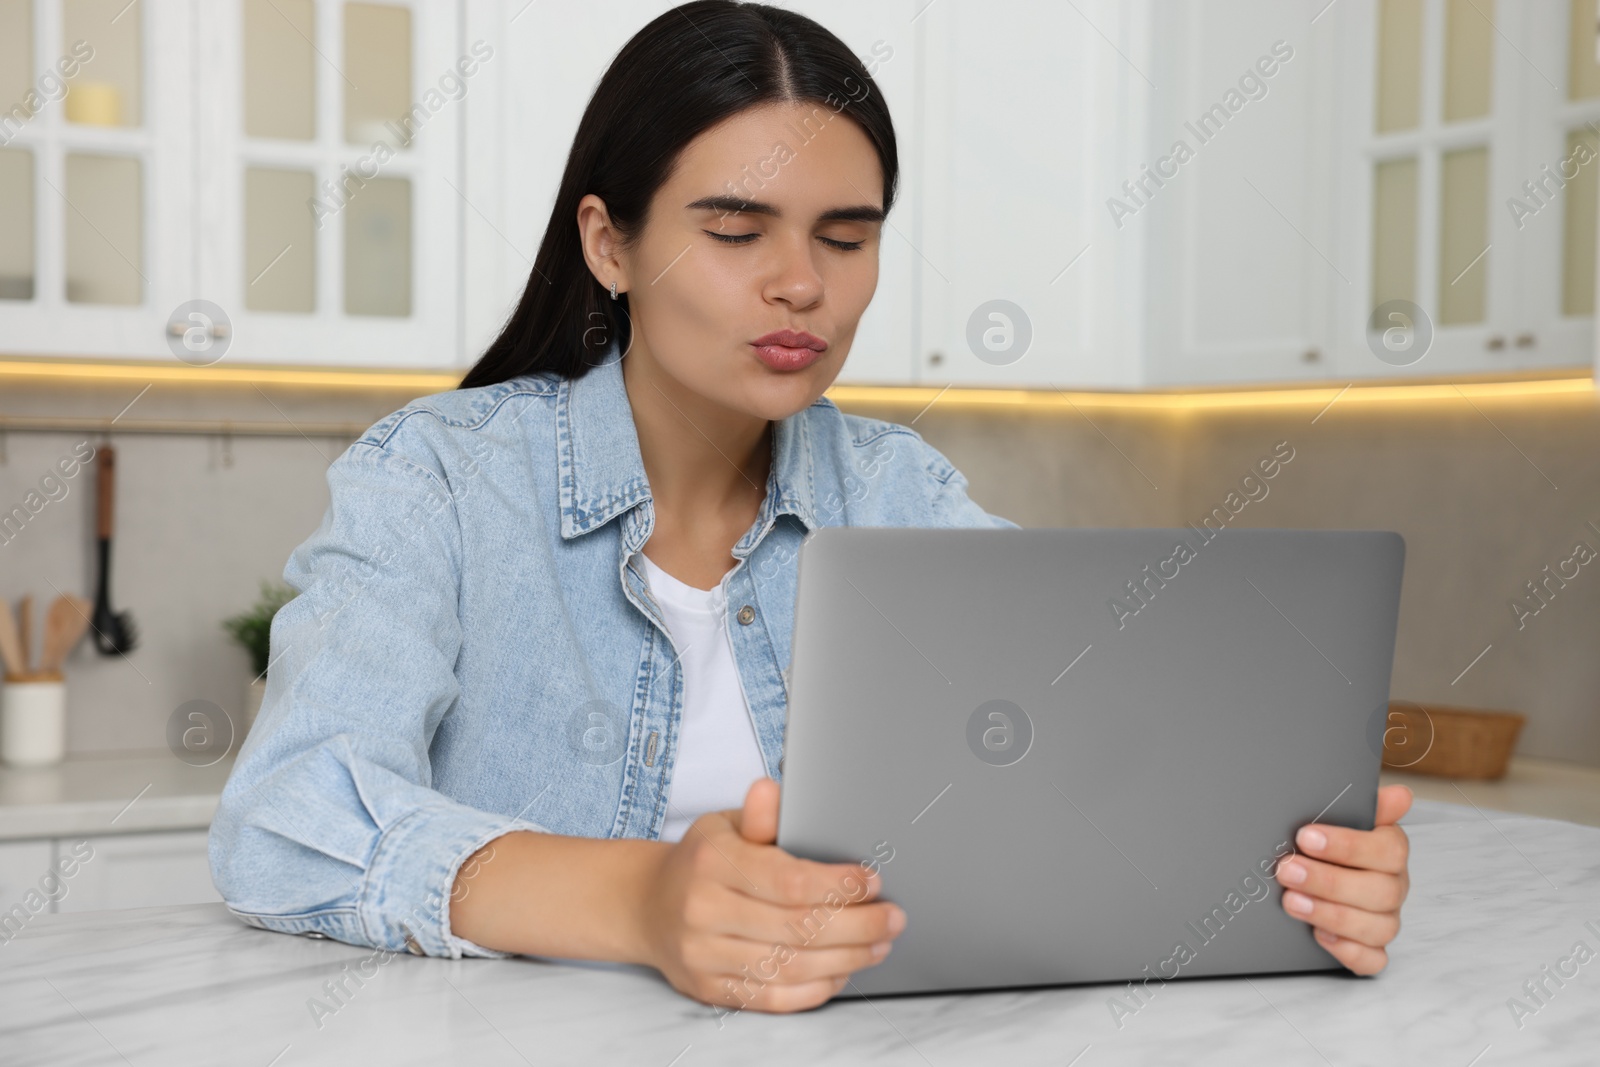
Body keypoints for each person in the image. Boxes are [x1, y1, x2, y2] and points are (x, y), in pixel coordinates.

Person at [209, 0, 1412, 1015]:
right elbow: (283, 819)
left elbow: (1097, 768)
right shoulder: (435, 477)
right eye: (735, 230)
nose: (801, 283)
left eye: (847, 237)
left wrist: (1292, 869)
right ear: (609, 243)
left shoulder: (903, 496)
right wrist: (640, 899)